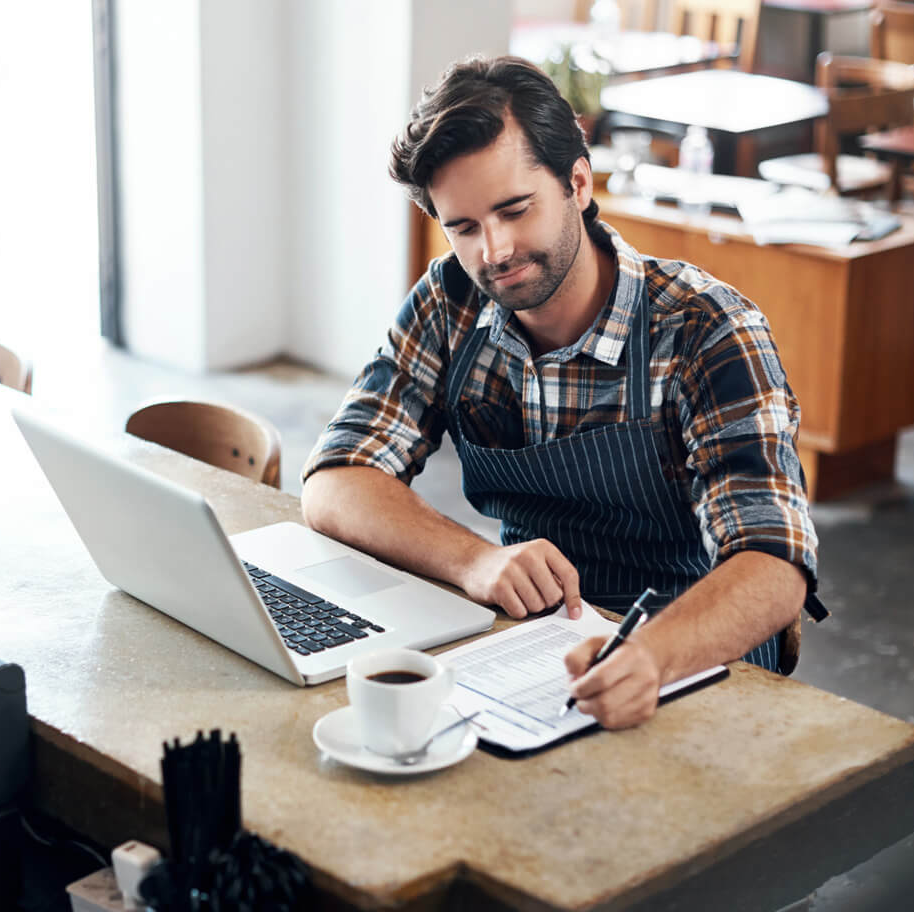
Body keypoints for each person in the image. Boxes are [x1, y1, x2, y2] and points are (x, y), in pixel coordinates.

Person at [300, 56, 827, 730]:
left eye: (514, 210)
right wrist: (476, 561)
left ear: (578, 181)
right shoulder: (449, 302)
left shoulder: (708, 329)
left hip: (691, 649)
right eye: (462, 227)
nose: (493, 251)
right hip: (529, 638)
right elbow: (336, 479)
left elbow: (775, 564)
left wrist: (649, 657)